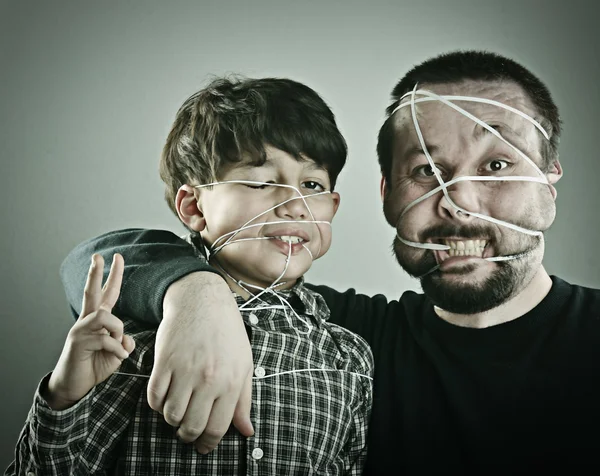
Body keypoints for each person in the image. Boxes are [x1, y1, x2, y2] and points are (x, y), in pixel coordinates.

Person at [60, 50, 600, 474]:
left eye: (498, 164)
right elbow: (92, 260)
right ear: (387, 193)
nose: (460, 201)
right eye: (425, 172)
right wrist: (196, 295)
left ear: (551, 178)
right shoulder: (345, 338)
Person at [6, 77, 374, 475]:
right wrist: (65, 397)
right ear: (194, 207)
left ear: (332, 207)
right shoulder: (128, 342)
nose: (295, 205)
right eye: (260, 182)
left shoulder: (346, 359)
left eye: (312, 185)